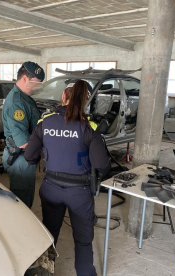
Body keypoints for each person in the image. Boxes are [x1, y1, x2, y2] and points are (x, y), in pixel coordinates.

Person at [24, 80, 111, 276]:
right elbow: (102, 165)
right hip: (79, 193)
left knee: (49, 233)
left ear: (63, 96)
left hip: (51, 187)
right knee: (82, 239)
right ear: (85, 101)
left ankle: (45, 271)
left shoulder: (44, 121)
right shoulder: (90, 126)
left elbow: (29, 156)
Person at [1, 61, 44, 208]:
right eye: (36, 83)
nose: (37, 87)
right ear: (25, 78)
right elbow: (23, 141)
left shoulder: (25, 97)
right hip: (20, 158)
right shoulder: (16, 102)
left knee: (26, 196)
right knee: (22, 204)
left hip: (25, 157)